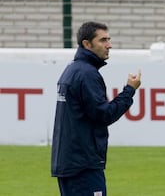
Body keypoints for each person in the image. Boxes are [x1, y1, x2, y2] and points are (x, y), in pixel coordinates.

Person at [51, 21, 141, 196]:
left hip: (70, 162)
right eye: (103, 40)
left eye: (109, 39)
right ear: (87, 44)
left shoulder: (72, 69)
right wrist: (129, 91)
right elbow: (104, 114)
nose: (109, 45)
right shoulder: (87, 74)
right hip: (83, 164)